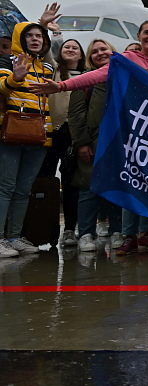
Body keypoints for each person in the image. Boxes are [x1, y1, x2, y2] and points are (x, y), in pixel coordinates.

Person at [31, 18, 148, 256]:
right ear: (139, 36)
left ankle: (145, 233)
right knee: (132, 184)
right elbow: (95, 76)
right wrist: (62, 86)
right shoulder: (127, 59)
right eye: (147, 32)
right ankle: (129, 235)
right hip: (131, 133)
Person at [0, 17, 58, 257]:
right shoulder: (6, 60)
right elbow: (2, 88)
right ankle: (0, 238)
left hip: (40, 133)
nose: (35, 39)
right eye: (30, 36)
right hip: (12, 132)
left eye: (39, 36)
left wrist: (49, 29)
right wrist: (16, 78)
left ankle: (13, 237)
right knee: (6, 186)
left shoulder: (46, 67)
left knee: (24, 188)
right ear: (20, 39)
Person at [67, 39, 121, 254]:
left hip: (119, 144)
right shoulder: (85, 81)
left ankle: (117, 230)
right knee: (88, 188)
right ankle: (86, 233)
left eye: (104, 49)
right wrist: (81, 142)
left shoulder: (122, 78)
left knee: (118, 188)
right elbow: (76, 114)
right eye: (95, 51)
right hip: (93, 143)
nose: (100, 53)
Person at [42, 36, 85, 246]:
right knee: (46, 179)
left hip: (74, 134)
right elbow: (46, 53)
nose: (70, 49)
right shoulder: (55, 70)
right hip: (53, 131)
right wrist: (52, 33)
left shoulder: (88, 75)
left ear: (81, 54)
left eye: (75, 47)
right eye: (67, 46)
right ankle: (43, 229)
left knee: (71, 183)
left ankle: (69, 229)